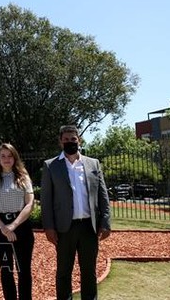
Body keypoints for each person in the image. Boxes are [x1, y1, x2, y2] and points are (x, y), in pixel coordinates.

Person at [41, 125, 111, 300]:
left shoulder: (93, 164)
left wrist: (106, 222)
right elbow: (46, 200)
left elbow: (103, 195)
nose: (70, 142)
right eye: (66, 139)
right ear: (60, 141)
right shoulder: (51, 166)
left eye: (73, 139)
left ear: (79, 140)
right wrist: (49, 227)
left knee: (89, 271)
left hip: (89, 227)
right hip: (65, 228)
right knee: (64, 272)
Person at [0, 143, 35, 300]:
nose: (6, 159)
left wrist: (13, 225)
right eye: (3, 156)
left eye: (9, 155)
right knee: (6, 271)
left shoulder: (24, 178)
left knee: (24, 271)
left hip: (22, 228)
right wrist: (4, 228)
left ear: (15, 157)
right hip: (0, 230)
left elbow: (29, 204)